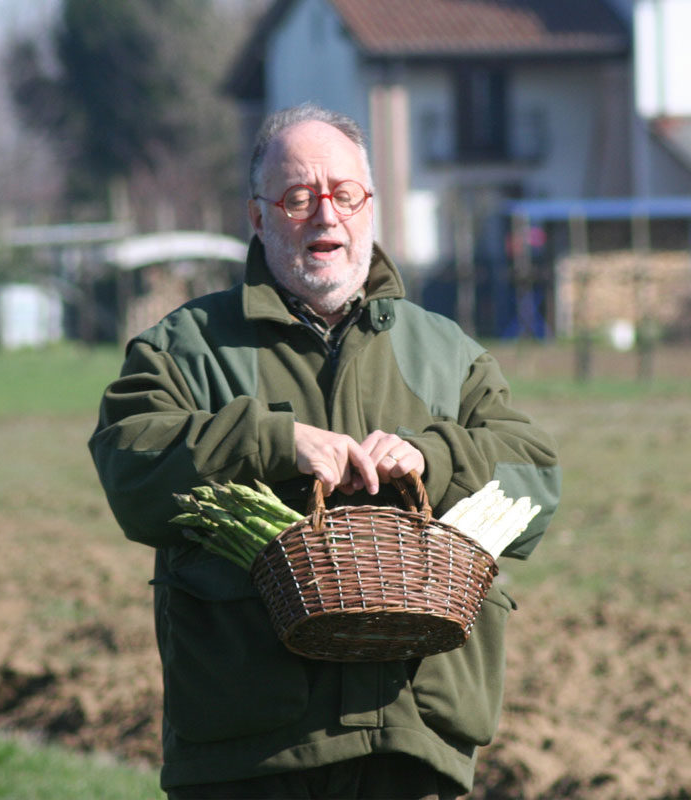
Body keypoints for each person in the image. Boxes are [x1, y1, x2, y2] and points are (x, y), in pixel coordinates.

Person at [89, 103, 560, 799]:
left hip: (415, 739)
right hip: (251, 750)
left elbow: (535, 485)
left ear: (370, 206)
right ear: (257, 216)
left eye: (345, 194)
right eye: (298, 198)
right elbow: (131, 466)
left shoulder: (446, 352)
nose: (326, 216)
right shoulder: (186, 347)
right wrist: (274, 442)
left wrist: (433, 456)